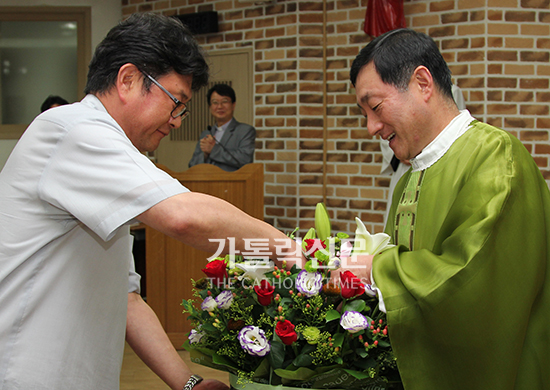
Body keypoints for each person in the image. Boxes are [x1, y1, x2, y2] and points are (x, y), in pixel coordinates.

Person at [0, 13, 300, 390]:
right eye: (176, 102)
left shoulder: (110, 159)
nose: (177, 120)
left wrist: (188, 383)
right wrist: (294, 251)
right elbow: (183, 216)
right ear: (128, 80)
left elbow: (125, 300)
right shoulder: (72, 130)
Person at [349, 28, 550, 389]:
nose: (371, 127)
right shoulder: (411, 176)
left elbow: (470, 276)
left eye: (375, 107)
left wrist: (377, 270)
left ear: (422, 83)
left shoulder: (494, 157)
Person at [379, 84, 466, 225]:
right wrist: (401, 153)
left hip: (437, 169)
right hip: (405, 168)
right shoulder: (393, 94)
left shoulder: (450, 92)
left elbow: (455, 132)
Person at [188, 84, 255, 172]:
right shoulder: (206, 133)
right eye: (215, 102)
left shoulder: (245, 131)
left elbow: (245, 159)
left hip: (232, 184)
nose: (219, 106)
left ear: (233, 105)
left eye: (224, 101)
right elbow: (192, 165)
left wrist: (213, 150)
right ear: (210, 107)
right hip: (205, 183)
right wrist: (205, 154)